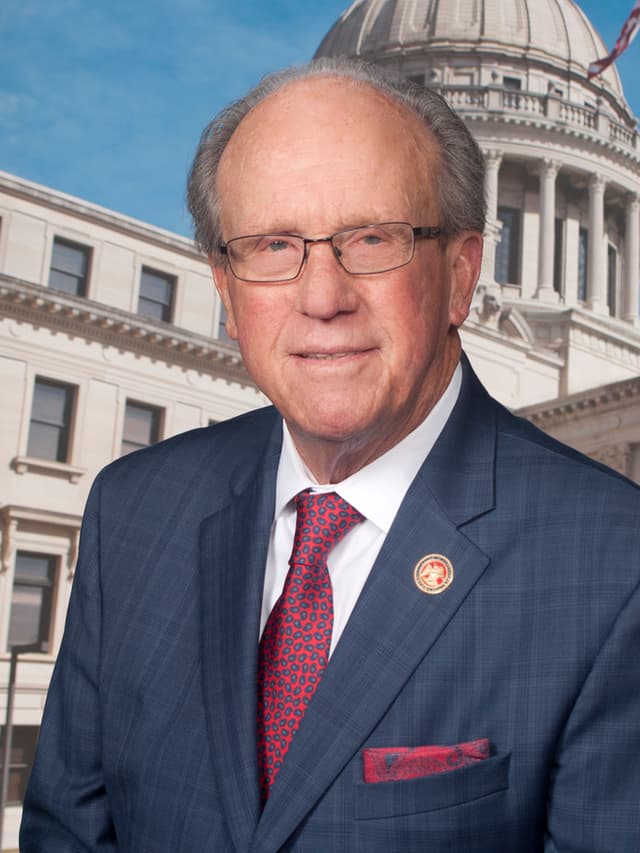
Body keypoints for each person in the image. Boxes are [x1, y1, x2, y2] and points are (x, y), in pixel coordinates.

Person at [21, 57, 640, 852]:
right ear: (227, 292)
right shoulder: (134, 508)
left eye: (372, 238)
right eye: (274, 244)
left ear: (461, 275)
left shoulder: (614, 561)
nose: (322, 297)